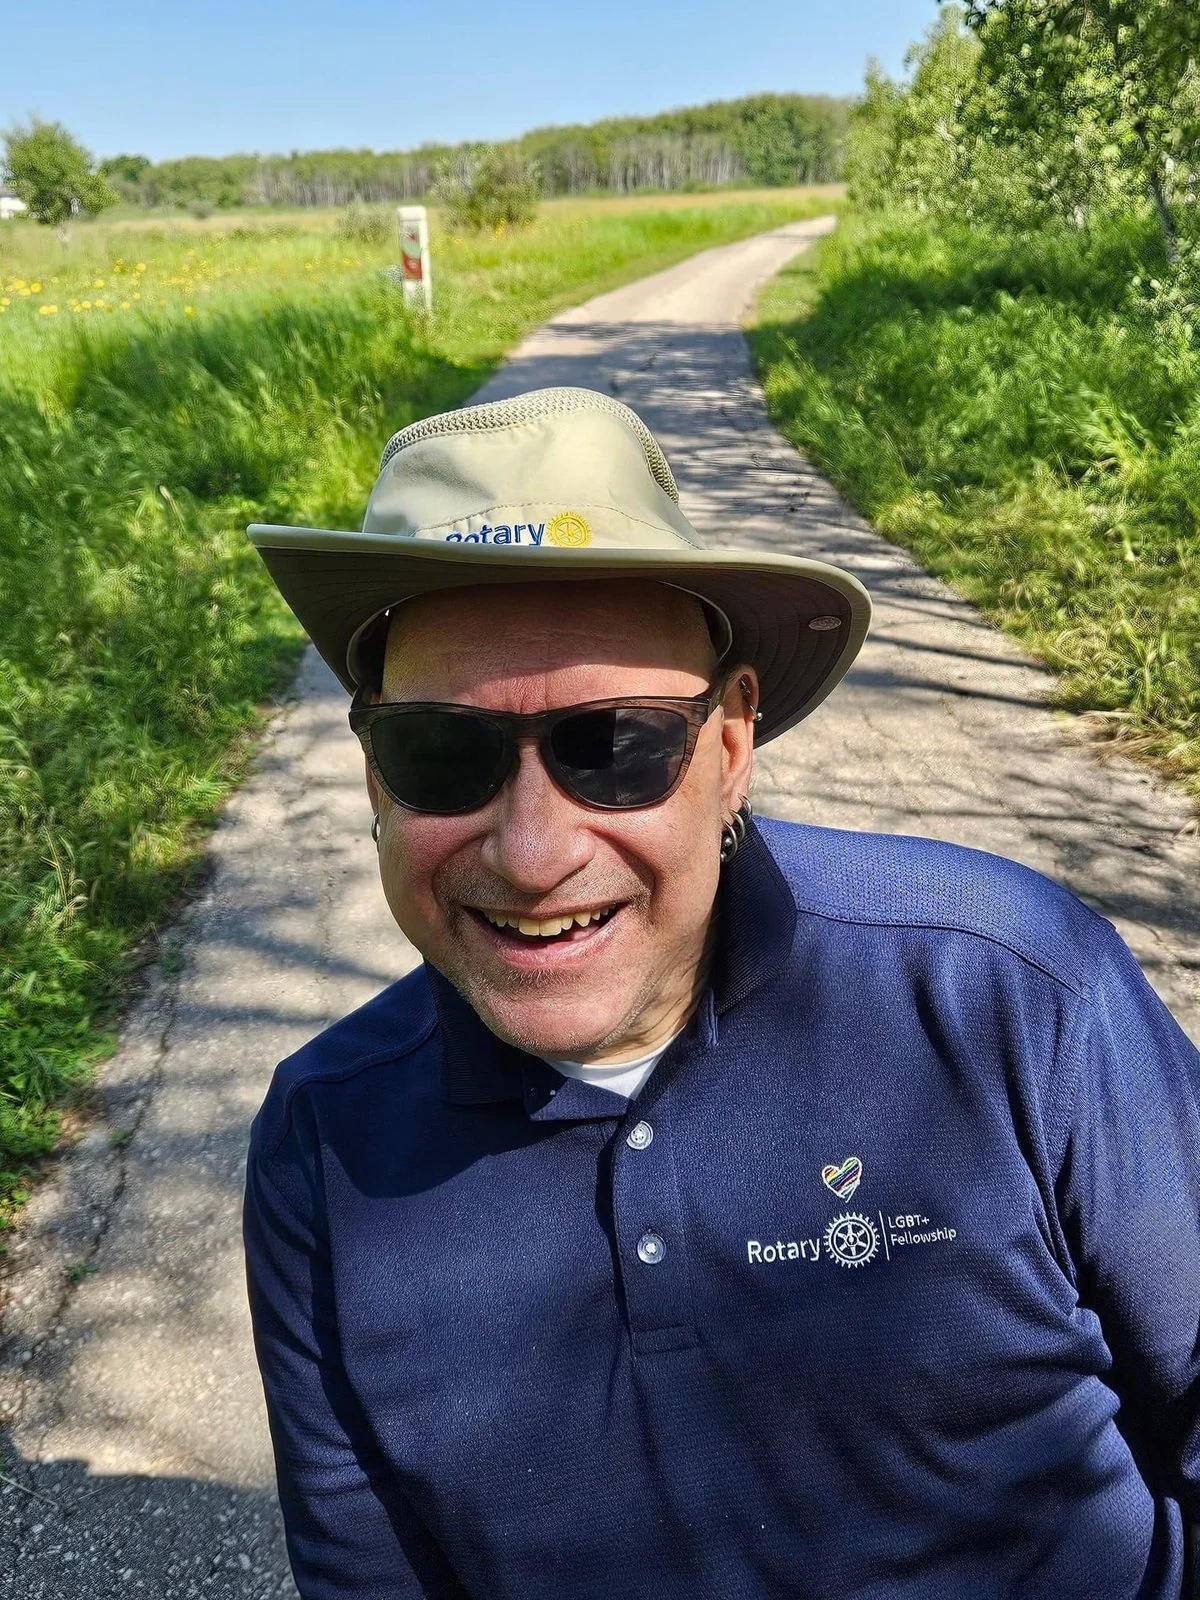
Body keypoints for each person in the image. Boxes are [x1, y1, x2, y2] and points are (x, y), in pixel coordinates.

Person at [242, 386, 1200, 1599]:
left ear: (734, 743)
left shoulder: (1007, 988)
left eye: (618, 746)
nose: (534, 853)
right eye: (443, 752)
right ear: (372, 772)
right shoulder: (323, 1146)